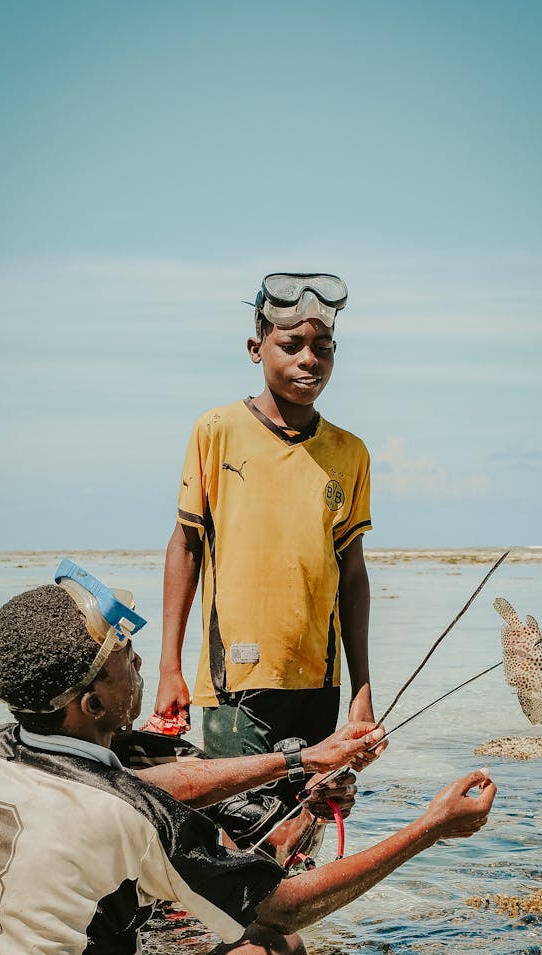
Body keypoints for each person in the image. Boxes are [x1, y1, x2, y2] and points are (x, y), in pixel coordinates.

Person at [0, 560, 496, 955]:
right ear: (93, 705)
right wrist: (431, 828)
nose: (137, 662)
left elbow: (140, 786)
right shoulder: (131, 815)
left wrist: (305, 760)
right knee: (278, 945)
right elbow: (287, 904)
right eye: (122, 655)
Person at [154, 273, 375, 825]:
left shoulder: (350, 453)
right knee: (237, 834)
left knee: (308, 828)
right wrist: (169, 667)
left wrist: (361, 690)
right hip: (237, 688)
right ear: (256, 349)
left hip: (320, 685)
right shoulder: (216, 431)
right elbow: (185, 546)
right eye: (291, 345)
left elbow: (352, 575)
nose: (309, 361)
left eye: (322, 349)